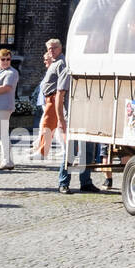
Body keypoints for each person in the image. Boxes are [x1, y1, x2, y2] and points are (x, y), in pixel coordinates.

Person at [52, 38, 98, 194]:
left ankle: (86, 182)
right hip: (71, 117)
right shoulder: (68, 71)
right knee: (70, 151)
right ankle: (63, 182)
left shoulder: (91, 71)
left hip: (87, 116)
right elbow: (59, 96)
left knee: (88, 151)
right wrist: (60, 119)